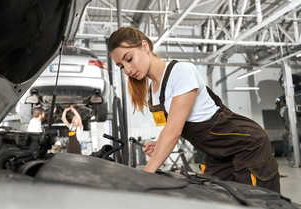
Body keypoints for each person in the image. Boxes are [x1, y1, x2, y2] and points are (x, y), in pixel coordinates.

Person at [107, 26, 280, 192]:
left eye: (128, 59)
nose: (127, 69)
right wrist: (159, 143)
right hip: (217, 155)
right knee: (217, 204)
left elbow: (174, 131)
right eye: (121, 66)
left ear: (144, 46)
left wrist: (145, 176)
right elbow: (173, 124)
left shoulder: (182, 72)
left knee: (255, 206)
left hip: (248, 146)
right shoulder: (153, 91)